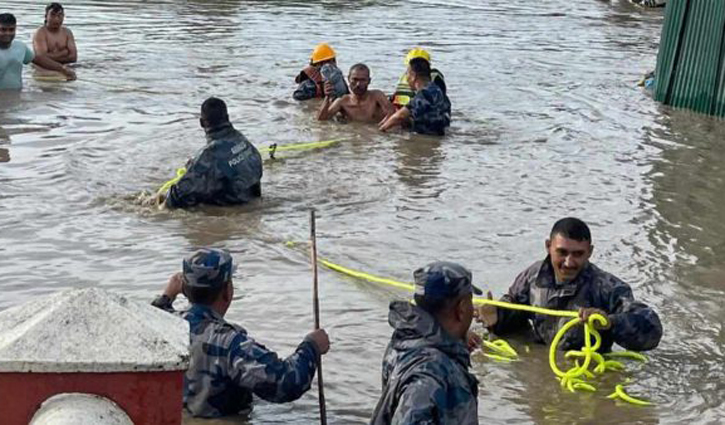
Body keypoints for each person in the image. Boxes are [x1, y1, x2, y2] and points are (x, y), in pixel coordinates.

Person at [151, 248, 331, 418]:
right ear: (227, 292)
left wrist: (167, 295)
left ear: (185, 290)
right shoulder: (229, 343)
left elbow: (152, 314)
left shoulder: (164, 325)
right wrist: (311, 347)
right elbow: (286, 384)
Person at [476, 217, 663, 352]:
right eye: (562, 252)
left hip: (587, 371)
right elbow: (516, 312)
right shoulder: (532, 276)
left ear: (590, 252)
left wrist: (609, 322)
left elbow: (652, 331)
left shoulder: (607, 287)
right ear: (548, 247)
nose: (568, 262)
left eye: (578, 254)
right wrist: (497, 316)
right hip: (542, 367)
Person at [370, 261, 480, 425]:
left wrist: (456, 346)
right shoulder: (430, 375)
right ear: (462, 309)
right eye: (471, 301)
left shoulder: (405, 341)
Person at [157, 97, 263, 209]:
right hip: (251, 198)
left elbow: (176, 196)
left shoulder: (208, 154)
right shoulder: (242, 140)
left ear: (201, 123)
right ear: (227, 118)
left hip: (231, 207)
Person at [0, 12, 75, 90]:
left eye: (11, 30)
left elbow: (39, 60)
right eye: (3, 30)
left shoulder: (20, 47)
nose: (7, 33)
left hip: (16, 94)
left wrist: (63, 70)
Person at [378, 58, 451, 136]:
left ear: (413, 75)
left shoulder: (424, 94)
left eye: (407, 74)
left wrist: (381, 130)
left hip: (425, 137)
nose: (406, 78)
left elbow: (400, 116)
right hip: (439, 134)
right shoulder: (437, 90)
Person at [317, 63, 394, 123]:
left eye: (362, 80)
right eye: (355, 79)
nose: (358, 84)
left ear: (369, 81)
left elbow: (392, 113)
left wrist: (381, 129)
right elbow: (321, 120)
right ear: (348, 79)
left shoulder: (377, 96)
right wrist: (327, 97)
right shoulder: (342, 101)